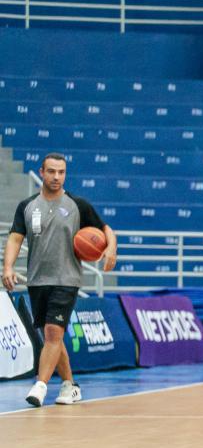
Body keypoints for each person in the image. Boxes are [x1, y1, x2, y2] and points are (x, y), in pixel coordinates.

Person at [3, 153, 117, 407]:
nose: (57, 177)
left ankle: (40, 385)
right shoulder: (27, 206)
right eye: (52, 171)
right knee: (52, 336)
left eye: (61, 172)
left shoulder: (78, 205)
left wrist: (111, 249)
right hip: (37, 280)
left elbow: (106, 229)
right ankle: (70, 386)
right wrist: (8, 267)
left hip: (67, 279)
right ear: (41, 172)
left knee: (53, 332)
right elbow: (15, 237)